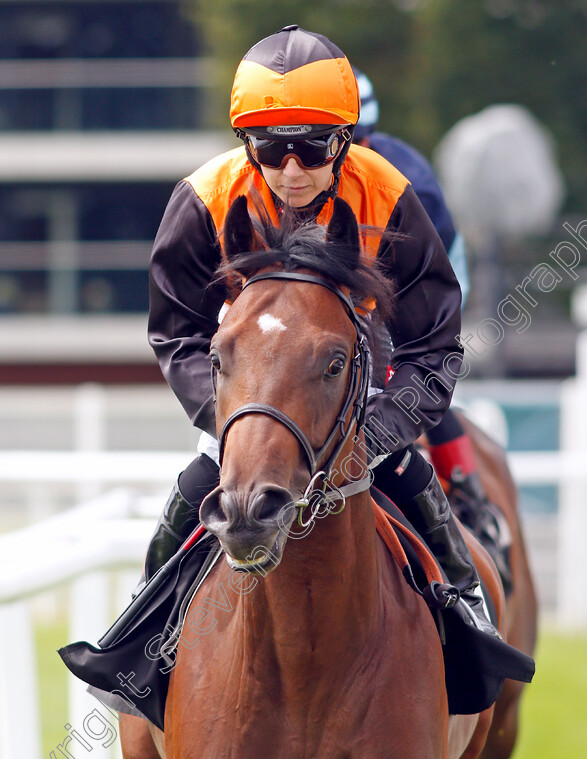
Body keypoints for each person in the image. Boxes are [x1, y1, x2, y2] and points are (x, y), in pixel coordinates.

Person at [146, 24, 498, 636]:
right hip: (250, 381)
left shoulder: (390, 195)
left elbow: (434, 344)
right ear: (242, 142)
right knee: (195, 489)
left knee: (409, 473)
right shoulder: (203, 199)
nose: (290, 171)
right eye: (267, 148)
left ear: (344, 139)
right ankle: (142, 641)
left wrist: (381, 428)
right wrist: (230, 416)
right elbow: (177, 333)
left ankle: (470, 617)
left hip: (355, 363)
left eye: (311, 149)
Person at [352, 67, 511, 586]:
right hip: (351, 289)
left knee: (413, 379)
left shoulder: (407, 182)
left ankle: (467, 491)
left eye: (352, 142)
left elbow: (428, 285)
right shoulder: (290, 170)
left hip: (421, 276)